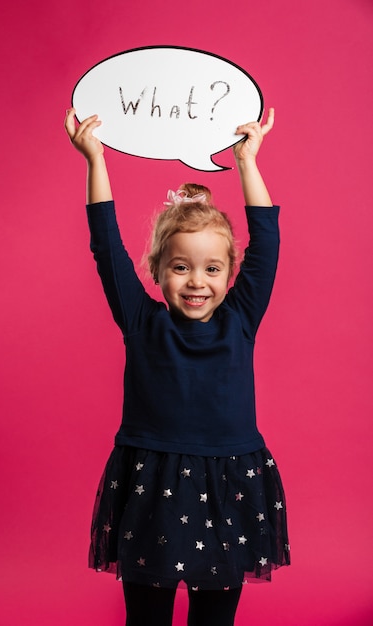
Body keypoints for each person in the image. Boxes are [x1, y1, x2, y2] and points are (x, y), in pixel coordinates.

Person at [65, 107, 290, 626]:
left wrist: (246, 162)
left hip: (229, 480)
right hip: (151, 480)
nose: (196, 282)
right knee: (147, 617)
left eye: (212, 269)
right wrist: (94, 160)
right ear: (157, 270)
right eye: (180, 267)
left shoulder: (241, 319)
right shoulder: (141, 321)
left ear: (230, 272)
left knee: (215, 617)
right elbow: (106, 247)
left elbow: (268, 244)